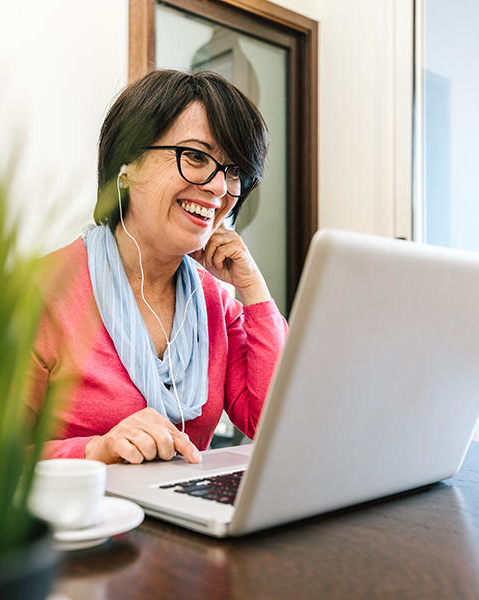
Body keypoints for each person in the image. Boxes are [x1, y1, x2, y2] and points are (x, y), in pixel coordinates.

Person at [26, 69, 288, 465]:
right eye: (197, 156)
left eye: (233, 170)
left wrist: (254, 290)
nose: (219, 188)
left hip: (182, 521)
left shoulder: (216, 303)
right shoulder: (40, 291)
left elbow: (275, 424)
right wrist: (97, 449)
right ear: (127, 163)